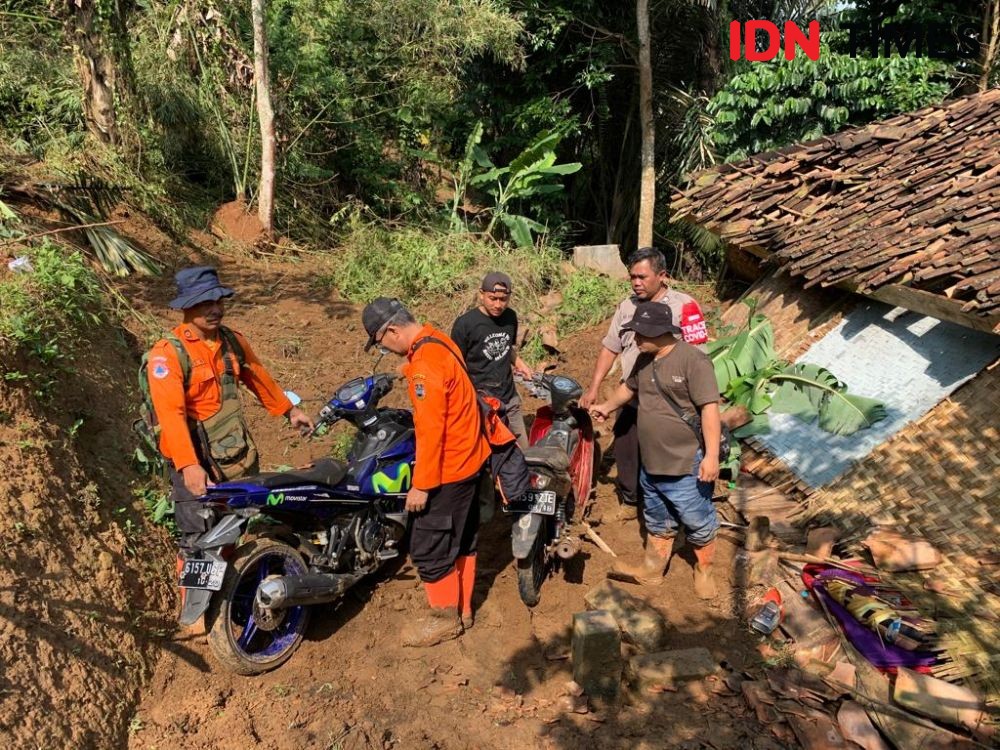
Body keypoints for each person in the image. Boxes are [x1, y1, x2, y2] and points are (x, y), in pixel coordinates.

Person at [147, 267, 314, 544]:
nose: (215, 309)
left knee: (241, 523)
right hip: (192, 456)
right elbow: (170, 415)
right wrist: (189, 465)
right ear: (187, 307)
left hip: (231, 450)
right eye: (205, 303)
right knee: (199, 538)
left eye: (218, 301)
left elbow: (259, 377)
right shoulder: (167, 355)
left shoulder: (232, 341)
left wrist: (290, 411)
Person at [361, 297, 491, 647]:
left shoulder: (425, 366)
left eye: (381, 343)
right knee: (462, 537)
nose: (385, 350)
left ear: (391, 331)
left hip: (449, 467)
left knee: (428, 547)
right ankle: (463, 609)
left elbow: (432, 430)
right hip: (472, 458)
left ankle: (444, 618)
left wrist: (421, 485)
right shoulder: (440, 340)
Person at [589, 301, 721, 599]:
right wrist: (607, 407)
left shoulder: (693, 361)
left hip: (684, 463)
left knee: (697, 518)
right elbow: (629, 388)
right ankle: (652, 569)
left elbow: (710, 411)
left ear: (659, 332)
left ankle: (704, 570)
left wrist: (711, 456)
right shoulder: (644, 358)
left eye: (639, 334)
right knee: (657, 516)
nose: (634, 339)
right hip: (651, 462)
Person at [579, 247, 708, 516]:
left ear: (663, 276)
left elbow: (699, 358)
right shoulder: (627, 307)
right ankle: (631, 502)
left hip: (669, 404)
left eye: (642, 277)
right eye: (632, 277)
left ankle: (675, 512)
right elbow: (610, 347)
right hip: (631, 394)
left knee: (667, 462)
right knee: (628, 458)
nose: (636, 283)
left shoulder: (685, 306)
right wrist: (594, 389)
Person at [450, 272, 533, 449]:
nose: (498, 305)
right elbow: (455, 364)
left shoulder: (510, 317)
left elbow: (506, 348)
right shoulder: (465, 324)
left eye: (503, 299)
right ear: (481, 294)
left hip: (509, 397)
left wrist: (520, 364)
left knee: (523, 452)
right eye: (492, 298)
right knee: (487, 454)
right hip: (481, 403)